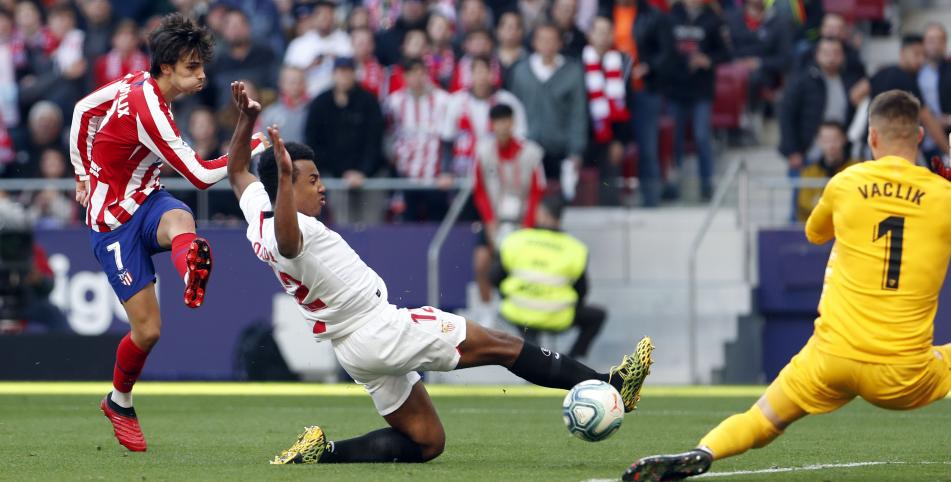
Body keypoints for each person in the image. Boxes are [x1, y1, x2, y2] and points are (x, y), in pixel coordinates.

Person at [225, 81, 653, 465]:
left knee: (427, 441)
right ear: (285, 185)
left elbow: (237, 171)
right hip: (379, 329)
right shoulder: (290, 227)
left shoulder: (257, 213)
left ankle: (325, 452)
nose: (321, 187)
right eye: (311, 180)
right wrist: (284, 175)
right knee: (504, 345)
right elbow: (288, 243)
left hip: (354, 348)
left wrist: (245, 121)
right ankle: (611, 383)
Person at [622, 90, 951, 481]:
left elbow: (815, 233)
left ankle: (704, 451)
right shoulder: (942, 196)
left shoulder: (845, 182)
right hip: (902, 371)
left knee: (760, 419)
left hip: (831, 358)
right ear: (918, 136)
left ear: (872, 138)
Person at [67, 14, 266, 453]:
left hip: (148, 201)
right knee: (148, 332)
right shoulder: (149, 107)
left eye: (202, 66)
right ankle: (119, 402)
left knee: (182, 221)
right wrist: (253, 144)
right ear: (169, 66)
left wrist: (82, 173)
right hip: (112, 226)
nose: (202, 76)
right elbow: (197, 174)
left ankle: (191, 265)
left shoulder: (136, 84)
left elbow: (83, 111)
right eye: (194, 67)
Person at [493, 195, 606, 358]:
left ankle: (531, 360)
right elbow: (582, 291)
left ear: (541, 214)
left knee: (525, 326)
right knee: (597, 316)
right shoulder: (575, 248)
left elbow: (494, 277)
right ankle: (570, 360)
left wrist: (511, 296)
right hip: (558, 315)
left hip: (518, 311)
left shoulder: (516, 240)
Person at [795, 121, 857, 222]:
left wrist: (821, 204)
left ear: (844, 139)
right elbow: (804, 204)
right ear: (819, 141)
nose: (831, 145)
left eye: (835, 139)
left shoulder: (856, 168)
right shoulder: (809, 172)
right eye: (826, 140)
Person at [918, 23, 951, 161]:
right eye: (931, 40)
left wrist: (948, 119)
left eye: (940, 40)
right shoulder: (915, 72)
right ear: (923, 43)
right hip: (919, 142)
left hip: (946, 137)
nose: (936, 45)